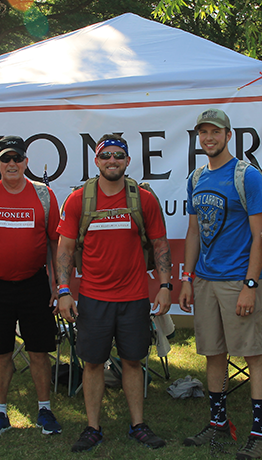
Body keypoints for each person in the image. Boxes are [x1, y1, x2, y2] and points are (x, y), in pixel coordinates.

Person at [56, 134, 172, 452]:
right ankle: (93, 427)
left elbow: (160, 243)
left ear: (127, 161)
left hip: (134, 297)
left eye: (118, 156)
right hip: (94, 298)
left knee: (133, 361)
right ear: (96, 161)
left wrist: (164, 285)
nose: (112, 161)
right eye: (106, 155)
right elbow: (65, 248)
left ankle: (138, 425)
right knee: (92, 364)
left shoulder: (143, 199)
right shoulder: (79, 199)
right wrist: (63, 290)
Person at [179, 109, 262, 460]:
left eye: (215, 132)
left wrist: (251, 283)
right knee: (213, 353)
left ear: (228, 135)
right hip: (205, 280)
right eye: (203, 133)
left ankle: (259, 432)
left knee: (253, 354)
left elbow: (260, 236)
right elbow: (192, 231)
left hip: (238, 280)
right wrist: (187, 277)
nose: (208, 139)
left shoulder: (247, 177)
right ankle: (218, 422)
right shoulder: (197, 177)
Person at [0, 135, 61, 437]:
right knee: (0, 351)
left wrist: (59, 285)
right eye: (6, 159)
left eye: (17, 158)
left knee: (39, 350)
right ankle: (0, 413)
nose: (12, 164)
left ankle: (44, 409)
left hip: (34, 285)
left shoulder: (44, 196)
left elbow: (55, 243)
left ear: (26, 162)